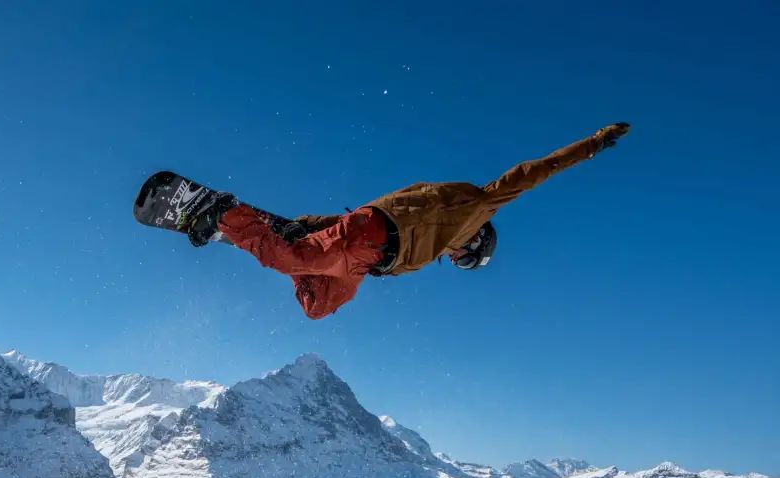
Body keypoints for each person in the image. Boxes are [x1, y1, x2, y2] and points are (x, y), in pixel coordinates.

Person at [179, 123, 631, 319]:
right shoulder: (476, 209)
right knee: (287, 259)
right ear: (476, 245)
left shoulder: (438, 242)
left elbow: (346, 224)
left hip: (366, 263)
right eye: (463, 261)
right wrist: (592, 144)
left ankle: (286, 241)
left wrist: (311, 224)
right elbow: (533, 173)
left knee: (317, 306)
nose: (453, 261)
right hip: (371, 235)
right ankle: (223, 212)